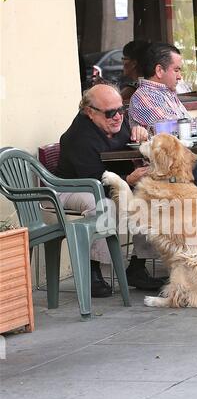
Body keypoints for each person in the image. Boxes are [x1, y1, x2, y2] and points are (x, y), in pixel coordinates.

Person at [56, 83, 165, 297]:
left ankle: (137, 266)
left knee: (151, 197)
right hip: (71, 187)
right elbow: (94, 181)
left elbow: (126, 151)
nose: (118, 117)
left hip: (103, 182)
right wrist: (128, 179)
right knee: (100, 204)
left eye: (121, 110)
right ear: (90, 112)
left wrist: (139, 134)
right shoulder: (79, 137)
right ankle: (93, 270)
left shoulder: (116, 124)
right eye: (110, 112)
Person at [128, 42, 197, 187]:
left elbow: (184, 125)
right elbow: (173, 133)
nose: (180, 77)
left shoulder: (167, 93)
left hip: (193, 159)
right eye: (176, 70)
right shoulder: (143, 97)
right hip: (173, 169)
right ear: (159, 70)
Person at [119, 40, 149, 104]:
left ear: (133, 63)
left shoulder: (131, 90)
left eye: (124, 59)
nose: (122, 62)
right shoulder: (150, 85)